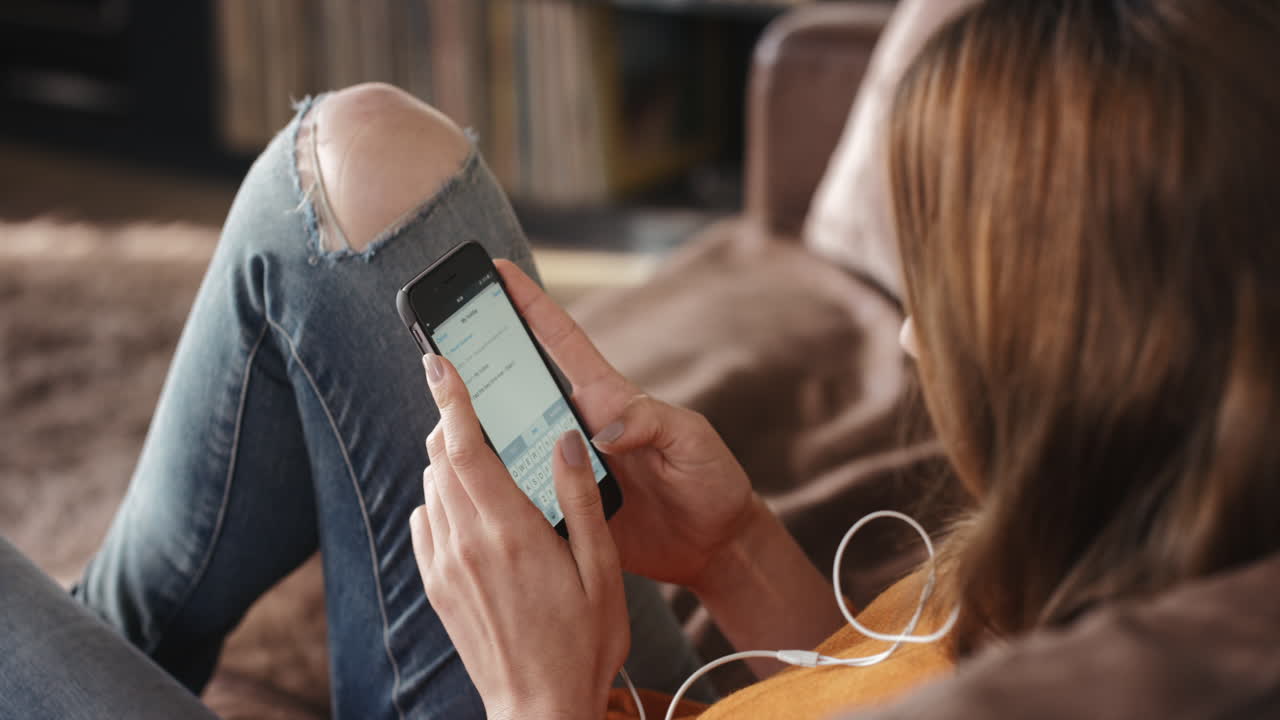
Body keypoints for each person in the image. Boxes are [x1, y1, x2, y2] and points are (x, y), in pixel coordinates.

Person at [2, 2, 1278, 720]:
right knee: (366, 154)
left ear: (1084, 355)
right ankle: (116, 634)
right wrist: (736, 553)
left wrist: (539, 697)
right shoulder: (1119, 547)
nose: (904, 331)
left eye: (943, 299)